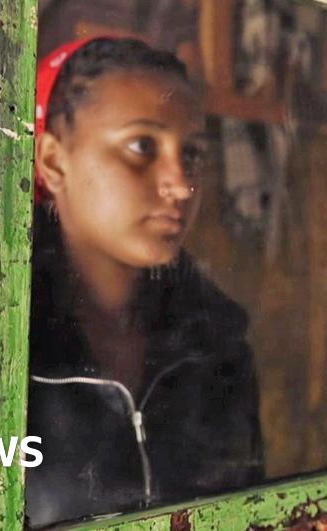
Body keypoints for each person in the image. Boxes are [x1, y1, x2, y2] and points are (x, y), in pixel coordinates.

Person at [24, 38, 264, 528]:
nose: (180, 184)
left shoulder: (220, 345)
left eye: (192, 154)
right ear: (53, 161)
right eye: (141, 146)